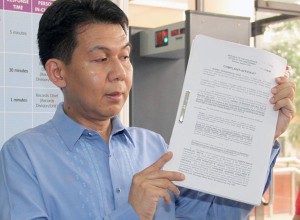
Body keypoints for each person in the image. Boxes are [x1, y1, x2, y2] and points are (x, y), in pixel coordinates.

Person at [0, 0, 296, 219]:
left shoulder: (154, 146)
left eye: (125, 56)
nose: (120, 72)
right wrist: (133, 211)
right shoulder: (23, 156)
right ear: (57, 73)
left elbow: (212, 215)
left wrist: (261, 137)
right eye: (101, 59)